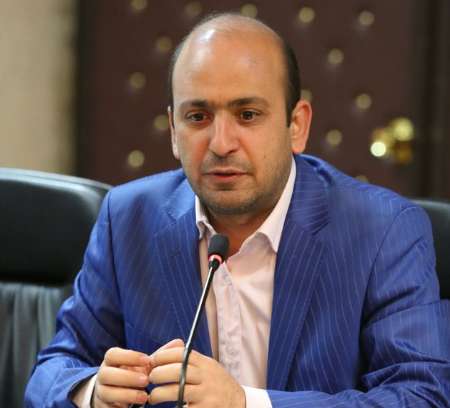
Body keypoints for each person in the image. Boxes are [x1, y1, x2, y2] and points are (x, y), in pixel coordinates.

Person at [25, 12, 450, 408]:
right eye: (198, 116)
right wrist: (92, 391)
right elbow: (52, 372)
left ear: (297, 125)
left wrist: (246, 403)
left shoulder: (384, 231)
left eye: (247, 114)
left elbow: (421, 395)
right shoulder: (127, 218)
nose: (221, 143)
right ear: (173, 130)